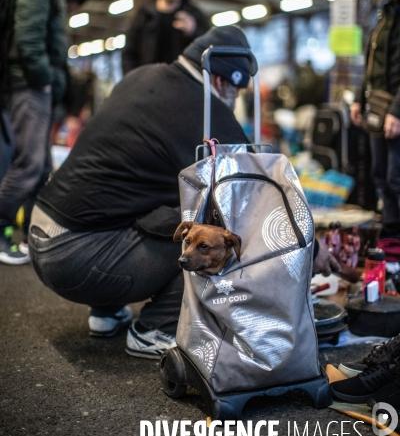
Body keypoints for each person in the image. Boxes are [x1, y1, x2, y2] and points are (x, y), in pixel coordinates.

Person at [28, 25, 337, 360]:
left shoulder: (144, 75)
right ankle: (155, 329)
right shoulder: (206, 109)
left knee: (161, 207)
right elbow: (254, 197)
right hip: (76, 257)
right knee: (215, 243)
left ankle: (106, 310)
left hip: (44, 236)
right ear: (222, 81)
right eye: (236, 93)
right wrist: (312, 248)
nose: (233, 103)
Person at [0, 0, 96, 265]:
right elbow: (28, 35)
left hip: (33, 84)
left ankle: (33, 237)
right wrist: (42, 80)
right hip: (29, 85)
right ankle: (1, 234)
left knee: (39, 166)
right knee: (28, 165)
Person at [350, 0, 400, 232]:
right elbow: (370, 64)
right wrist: (359, 100)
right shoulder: (384, 16)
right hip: (377, 109)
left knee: (396, 178)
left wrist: (397, 112)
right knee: (380, 175)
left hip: (394, 113)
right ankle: (393, 239)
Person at [122, 0, 209, 74]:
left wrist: (194, 31)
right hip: (151, 81)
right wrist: (133, 80)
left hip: (184, 82)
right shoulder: (144, 16)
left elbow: (209, 49)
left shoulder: (194, 15)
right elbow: (129, 52)